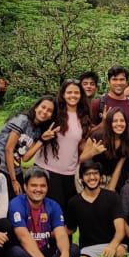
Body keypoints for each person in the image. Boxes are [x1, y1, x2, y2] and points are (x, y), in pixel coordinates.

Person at [9, 167, 77, 257]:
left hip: (46, 250)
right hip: (27, 251)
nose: (38, 189)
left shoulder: (53, 205)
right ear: (25, 187)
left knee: (73, 249)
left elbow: (61, 233)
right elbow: (23, 237)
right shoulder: (16, 204)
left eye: (43, 186)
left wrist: (64, 254)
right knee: (16, 252)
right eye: (34, 185)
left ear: (47, 188)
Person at [0, 95, 56, 195]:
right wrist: (13, 180)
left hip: (15, 167)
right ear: (36, 107)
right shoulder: (22, 120)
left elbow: (25, 158)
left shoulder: (37, 130)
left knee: (20, 196)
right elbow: (9, 149)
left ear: (51, 115)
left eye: (49, 110)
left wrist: (42, 140)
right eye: (43, 107)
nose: (45, 111)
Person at [65, 160, 127, 257]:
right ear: (81, 178)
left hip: (113, 244)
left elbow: (120, 231)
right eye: (87, 174)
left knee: (120, 252)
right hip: (88, 249)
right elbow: (70, 229)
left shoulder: (112, 197)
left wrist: (112, 246)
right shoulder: (74, 202)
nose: (92, 177)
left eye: (95, 173)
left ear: (101, 176)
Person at [40, 78, 90, 207]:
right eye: (69, 92)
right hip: (48, 170)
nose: (73, 95)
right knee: (51, 214)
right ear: (63, 94)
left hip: (70, 172)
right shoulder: (54, 113)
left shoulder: (84, 116)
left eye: (76, 92)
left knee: (69, 218)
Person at [80, 107, 129, 191]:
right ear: (109, 123)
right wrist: (92, 152)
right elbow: (81, 159)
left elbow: (118, 169)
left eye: (122, 120)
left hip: (108, 178)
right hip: (88, 176)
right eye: (115, 121)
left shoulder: (127, 140)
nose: (119, 124)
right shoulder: (97, 136)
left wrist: (110, 190)